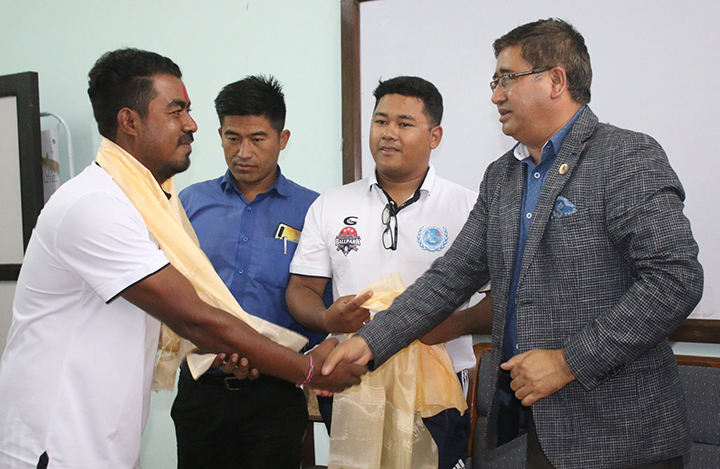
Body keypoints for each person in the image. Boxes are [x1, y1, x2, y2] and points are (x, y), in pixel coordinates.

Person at [323, 18, 703, 469]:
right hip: (538, 426)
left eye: (507, 78)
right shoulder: (503, 176)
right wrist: (369, 343)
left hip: (623, 432)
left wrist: (568, 362)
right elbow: (450, 277)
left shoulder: (624, 157)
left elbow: (674, 280)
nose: (496, 96)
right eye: (495, 81)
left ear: (555, 80)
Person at [0, 48, 363, 469]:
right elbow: (194, 316)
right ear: (130, 122)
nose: (191, 124)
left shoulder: (148, 203)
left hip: (103, 438)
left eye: (188, 111)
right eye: (177, 112)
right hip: (57, 441)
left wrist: (235, 351)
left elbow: (189, 319)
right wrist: (306, 370)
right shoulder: (95, 205)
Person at [286, 76, 492, 469]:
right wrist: (327, 319)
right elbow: (301, 290)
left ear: (435, 136)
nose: (388, 133)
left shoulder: (468, 207)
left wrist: (449, 326)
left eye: (404, 123)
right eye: (380, 121)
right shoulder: (331, 204)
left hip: (437, 391)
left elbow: (504, 300)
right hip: (353, 384)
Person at [170, 75, 330, 469]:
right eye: (232, 138)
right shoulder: (188, 203)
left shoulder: (314, 211)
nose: (244, 152)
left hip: (276, 394)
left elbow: (320, 302)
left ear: (282, 138)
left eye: (258, 139)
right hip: (201, 391)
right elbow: (170, 292)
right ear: (219, 135)